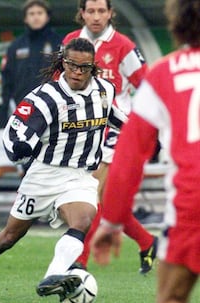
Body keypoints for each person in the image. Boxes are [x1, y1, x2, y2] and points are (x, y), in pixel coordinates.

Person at [0, 38, 128, 303]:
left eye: (84, 67)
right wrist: (20, 147)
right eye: (72, 66)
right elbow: (18, 129)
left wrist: (140, 133)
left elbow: (112, 115)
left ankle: (53, 276)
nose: (78, 72)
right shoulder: (46, 97)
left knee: (83, 220)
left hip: (79, 175)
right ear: (62, 63)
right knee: (9, 236)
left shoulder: (105, 90)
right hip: (44, 174)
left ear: (93, 67)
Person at [90, 1, 200, 303]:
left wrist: (110, 222)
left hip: (193, 205)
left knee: (172, 299)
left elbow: (129, 156)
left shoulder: (163, 73)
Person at [62, 0, 158, 274]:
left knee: (92, 196)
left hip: (117, 130)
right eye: (90, 11)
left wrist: (147, 126)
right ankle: (147, 241)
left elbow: (147, 85)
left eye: (101, 11)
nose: (96, 17)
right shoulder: (70, 42)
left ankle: (78, 266)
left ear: (110, 13)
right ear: (81, 13)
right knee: (106, 202)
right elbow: (59, 81)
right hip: (83, 129)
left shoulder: (123, 46)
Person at [0, 0, 62, 127]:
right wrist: (5, 107)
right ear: (25, 19)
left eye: (40, 13)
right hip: (23, 107)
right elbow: (7, 80)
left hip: (53, 106)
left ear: (47, 16)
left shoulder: (59, 43)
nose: (36, 17)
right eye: (31, 13)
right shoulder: (15, 46)